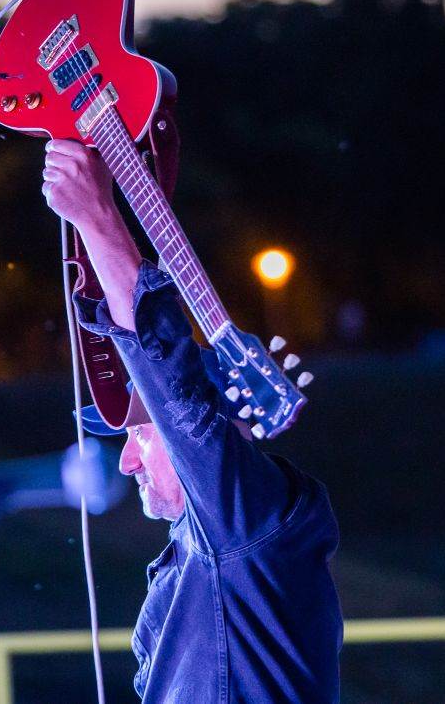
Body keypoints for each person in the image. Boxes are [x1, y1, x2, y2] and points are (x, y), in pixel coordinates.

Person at [42, 138, 343, 703]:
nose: (126, 459)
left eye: (138, 433)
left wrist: (100, 219)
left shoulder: (248, 522)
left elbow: (175, 390)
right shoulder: (200, 556)